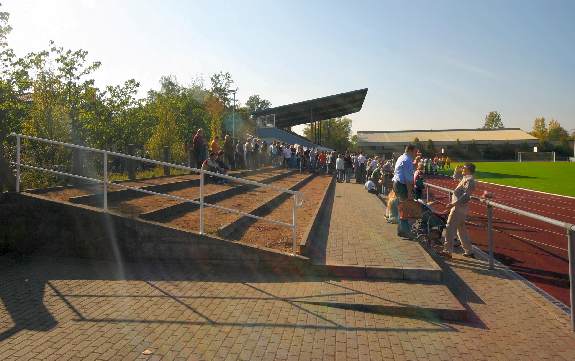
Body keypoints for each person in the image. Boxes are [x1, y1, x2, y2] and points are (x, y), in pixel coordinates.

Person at [440, 163, 477, 259]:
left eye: (464, 168)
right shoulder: (465, 178)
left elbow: (465, 196)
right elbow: (455, 177)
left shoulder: (470, 181)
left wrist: (453, 204)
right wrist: (457, 169)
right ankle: (469, 251)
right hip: (459, 208)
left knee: (449, 227)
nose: (462, 170)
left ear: (468, 170)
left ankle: (447, 251)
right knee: (461, 230)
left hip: (458, 208)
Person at [392, 144, 417, 238]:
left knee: (401, 207)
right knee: (405, 209)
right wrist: (410, 193)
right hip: (402, 185)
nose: (416, 154)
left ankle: (401, 230)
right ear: (410, 151)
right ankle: (406, 232)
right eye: (415, 152)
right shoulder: (407, 160)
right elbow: (408, 180)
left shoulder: (401, 158)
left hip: (397, 183)